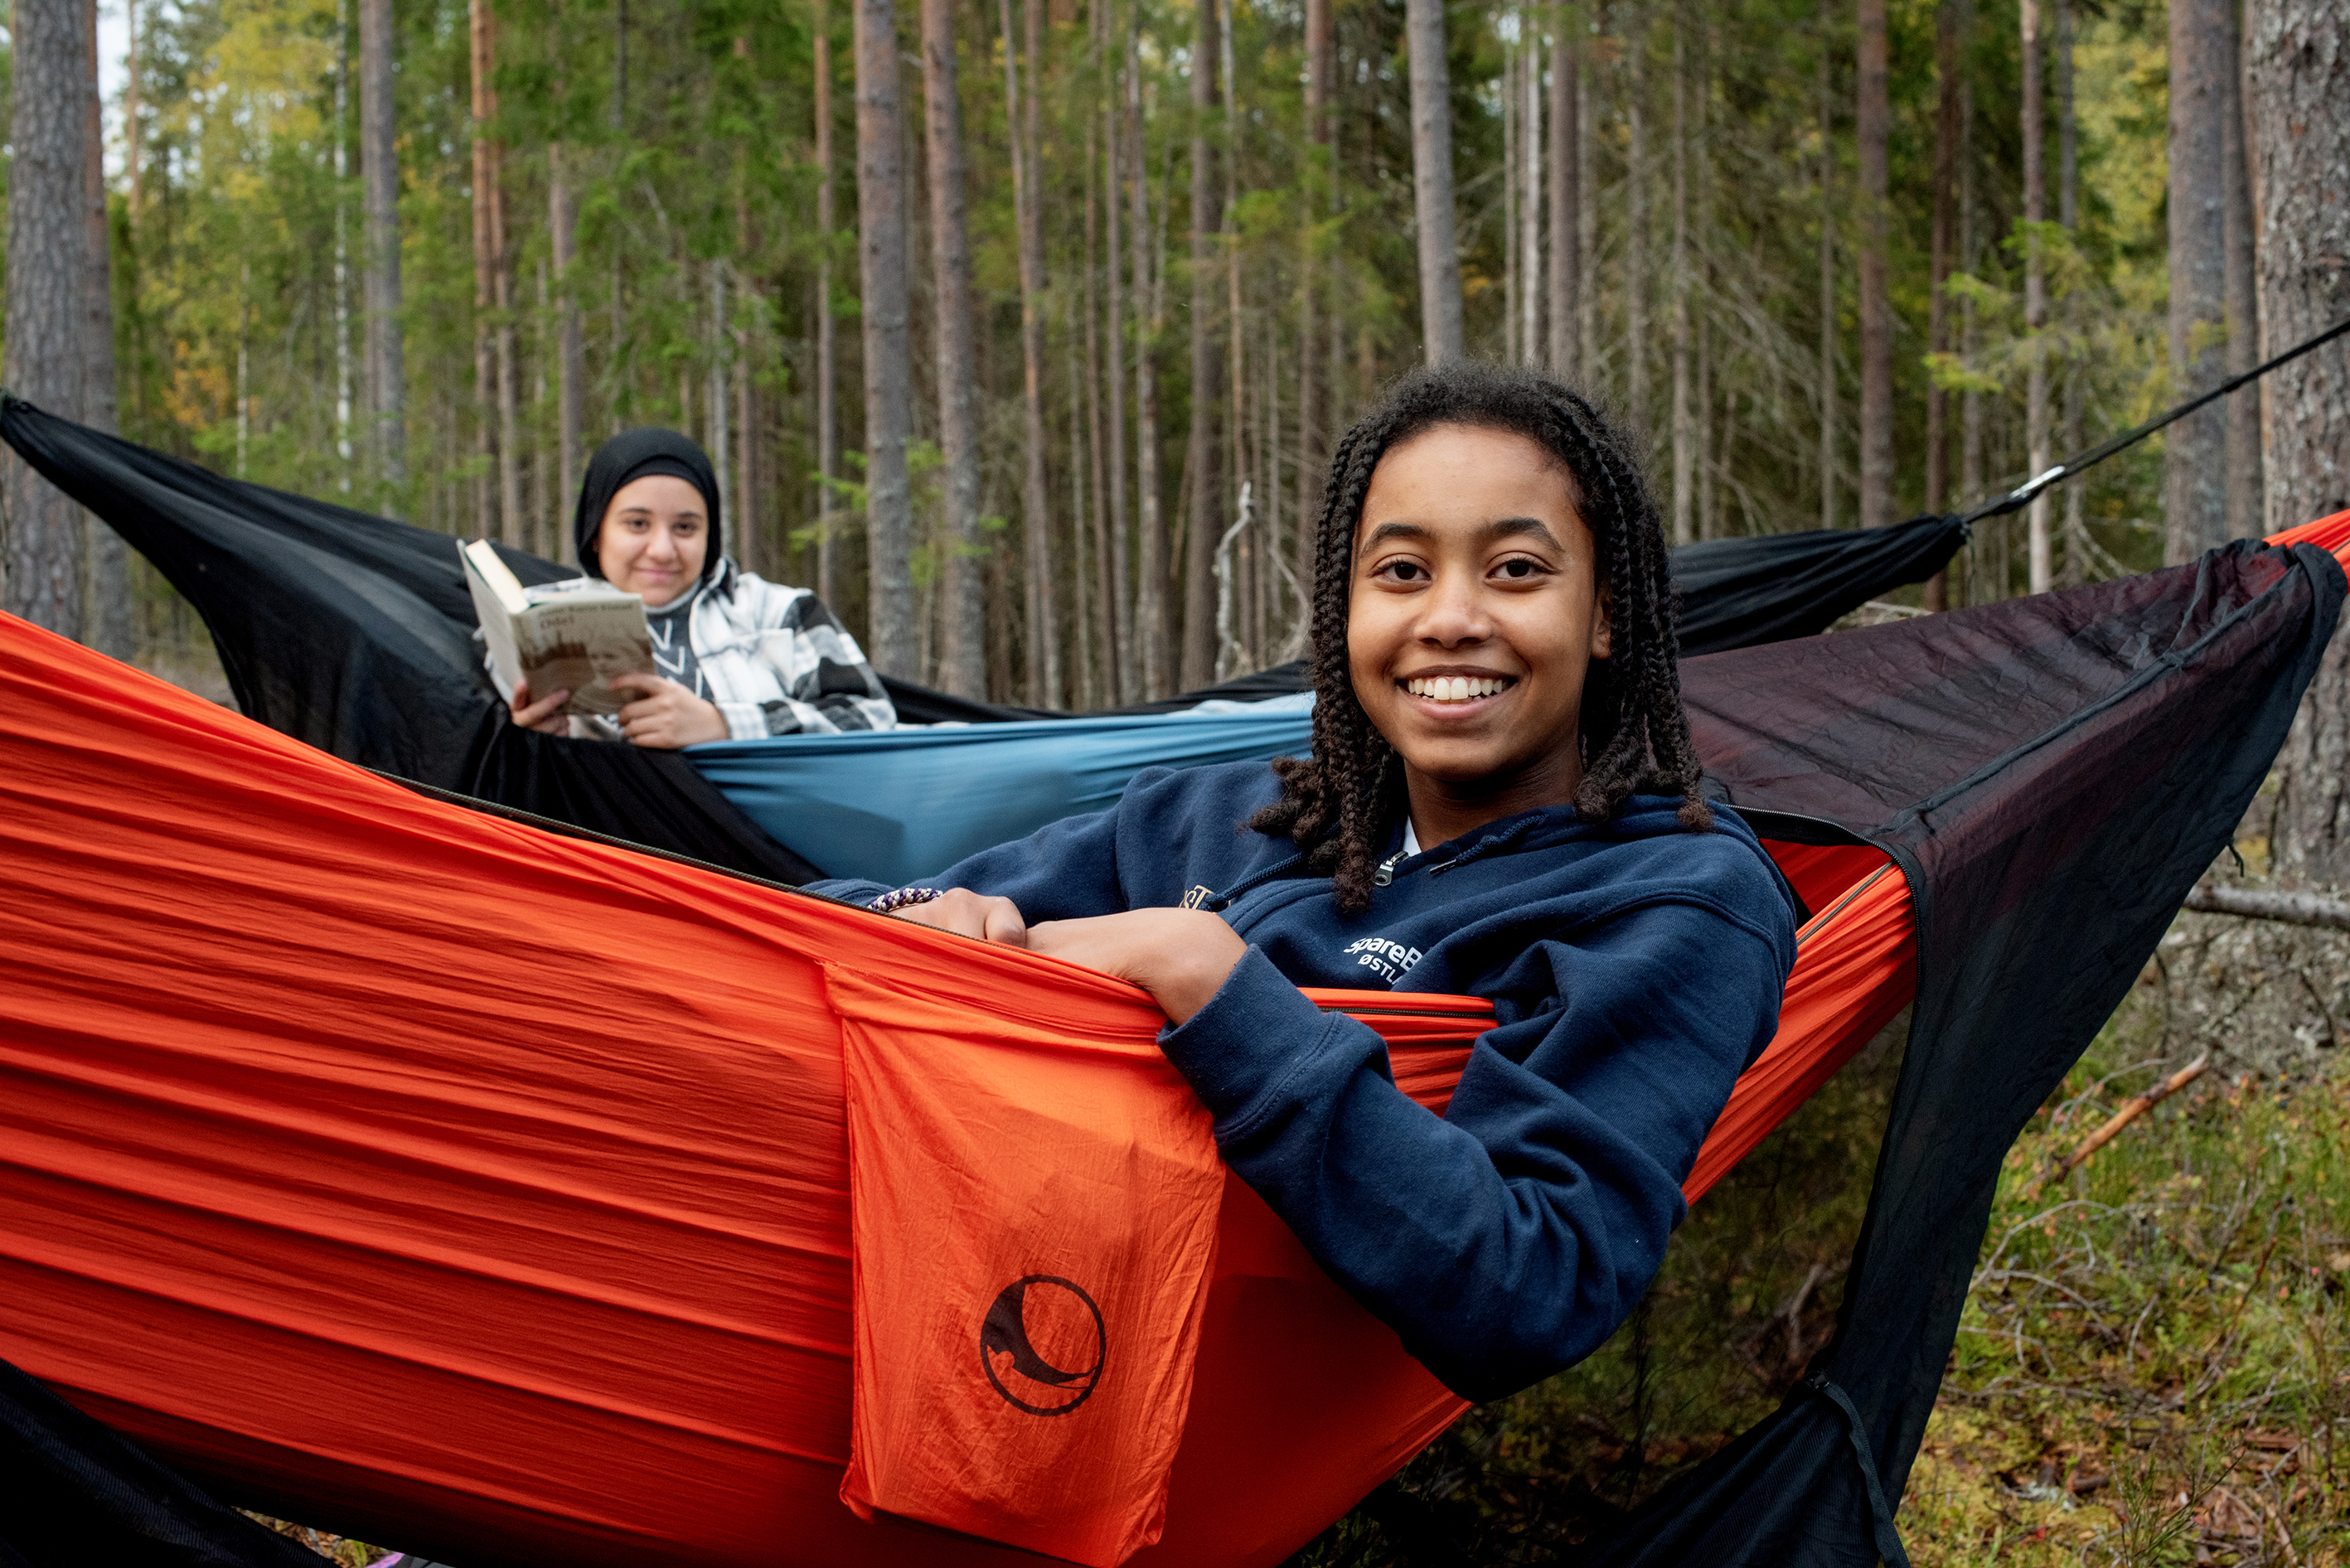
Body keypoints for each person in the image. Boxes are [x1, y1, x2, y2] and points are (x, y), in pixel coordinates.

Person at [805, 363, 1800, 1401]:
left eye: (1514, 569)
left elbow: (1534, 1280)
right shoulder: (1214, 820)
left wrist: (1204, 977)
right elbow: (820, 917)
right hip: (1041, 1355)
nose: (1450, 617)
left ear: (1605, 614)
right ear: (1344, 611)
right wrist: (929, 918)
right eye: (1403, 572)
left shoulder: (1676, 897)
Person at [508, 428, 896, 747]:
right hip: (598, 837)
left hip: (754, 836)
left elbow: (873, 718)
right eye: (637, 524)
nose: (662, 551)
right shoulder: (537, 621)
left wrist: (724, 724)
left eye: (685, 527)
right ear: (596, 533)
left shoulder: (781, 612)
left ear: (710, 536)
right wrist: (539, 740)